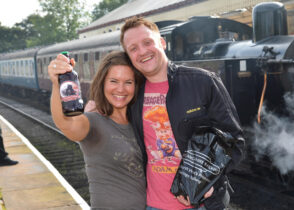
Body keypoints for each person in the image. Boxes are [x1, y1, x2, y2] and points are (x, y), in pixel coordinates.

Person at [120, 17, 245, 210]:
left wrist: (209, 181)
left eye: (147, 42)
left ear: (162, 42)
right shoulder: (133, 94)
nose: (142, 51)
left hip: (202, 204)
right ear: (129, 56)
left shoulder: (203, 82)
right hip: (152, 205)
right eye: (133, 48)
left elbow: (234, 141)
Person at [48, 51, 146, 209]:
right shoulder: (93, 122)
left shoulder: (140, 122)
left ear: (136, 86)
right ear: (103, 83)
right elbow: (66, 124)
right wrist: (56, 83)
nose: (121, 89)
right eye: (114, 81)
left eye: (128, 82)